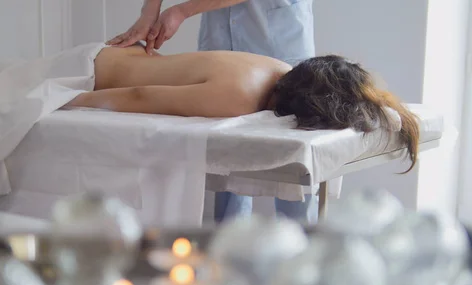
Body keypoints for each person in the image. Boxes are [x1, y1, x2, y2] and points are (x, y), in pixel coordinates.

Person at [105, 0, 321, 224]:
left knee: (292, 164)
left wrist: (181, 11)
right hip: (221, 44)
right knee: (225, 156)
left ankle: (304, 246)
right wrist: (148, 14)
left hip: (277, 42)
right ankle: (224, 243)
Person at [64, 42, 420, 172]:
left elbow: (360, 95)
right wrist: (67, 100)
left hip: (108, 58)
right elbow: (139, 96)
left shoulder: (280, 69)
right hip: (84, 73)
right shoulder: (238, 96)